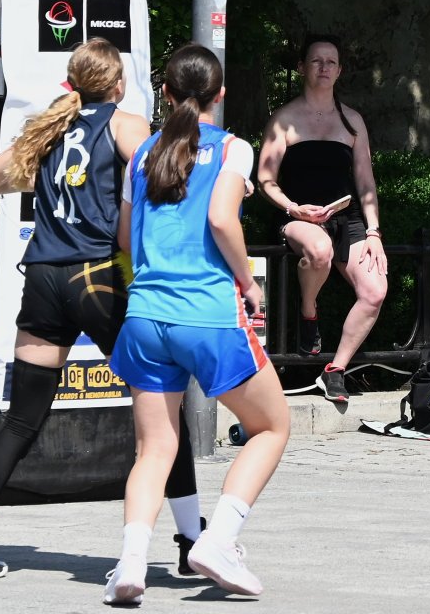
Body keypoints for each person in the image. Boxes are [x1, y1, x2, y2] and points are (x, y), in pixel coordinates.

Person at [0, 39, 200, 584]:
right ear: (119, 83)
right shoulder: (123, 123)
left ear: (73, 82)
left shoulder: (49, 130)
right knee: (162, 416)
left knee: (20, 419)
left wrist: (45, 179)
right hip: (96, 276)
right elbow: (166, 171)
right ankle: (192, 542)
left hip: (43, 278)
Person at [106, 44, 289, 603]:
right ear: (221, 95)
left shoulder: (143, 155)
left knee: (154, 450)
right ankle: (218, 540)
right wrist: (250, 282)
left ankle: (131, 566)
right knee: (271, 427)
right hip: (206, 314)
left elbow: (123, 240)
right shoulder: (231, 148)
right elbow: (220, 217)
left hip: (145, 315)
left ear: (164, 93)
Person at [255, 36, 387, 402]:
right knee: (319, 248)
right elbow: (265, 179)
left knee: (375, 291)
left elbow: (366, 182)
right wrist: (293, 208)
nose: (324, 67)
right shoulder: (283, 119)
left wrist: (374, 231)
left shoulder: (352, 120)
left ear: (340, 70)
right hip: (299, 216)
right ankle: (308, 311)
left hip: (348, 217)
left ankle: (335, 370)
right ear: (301, 67)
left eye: (331, 62)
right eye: (316, 61)